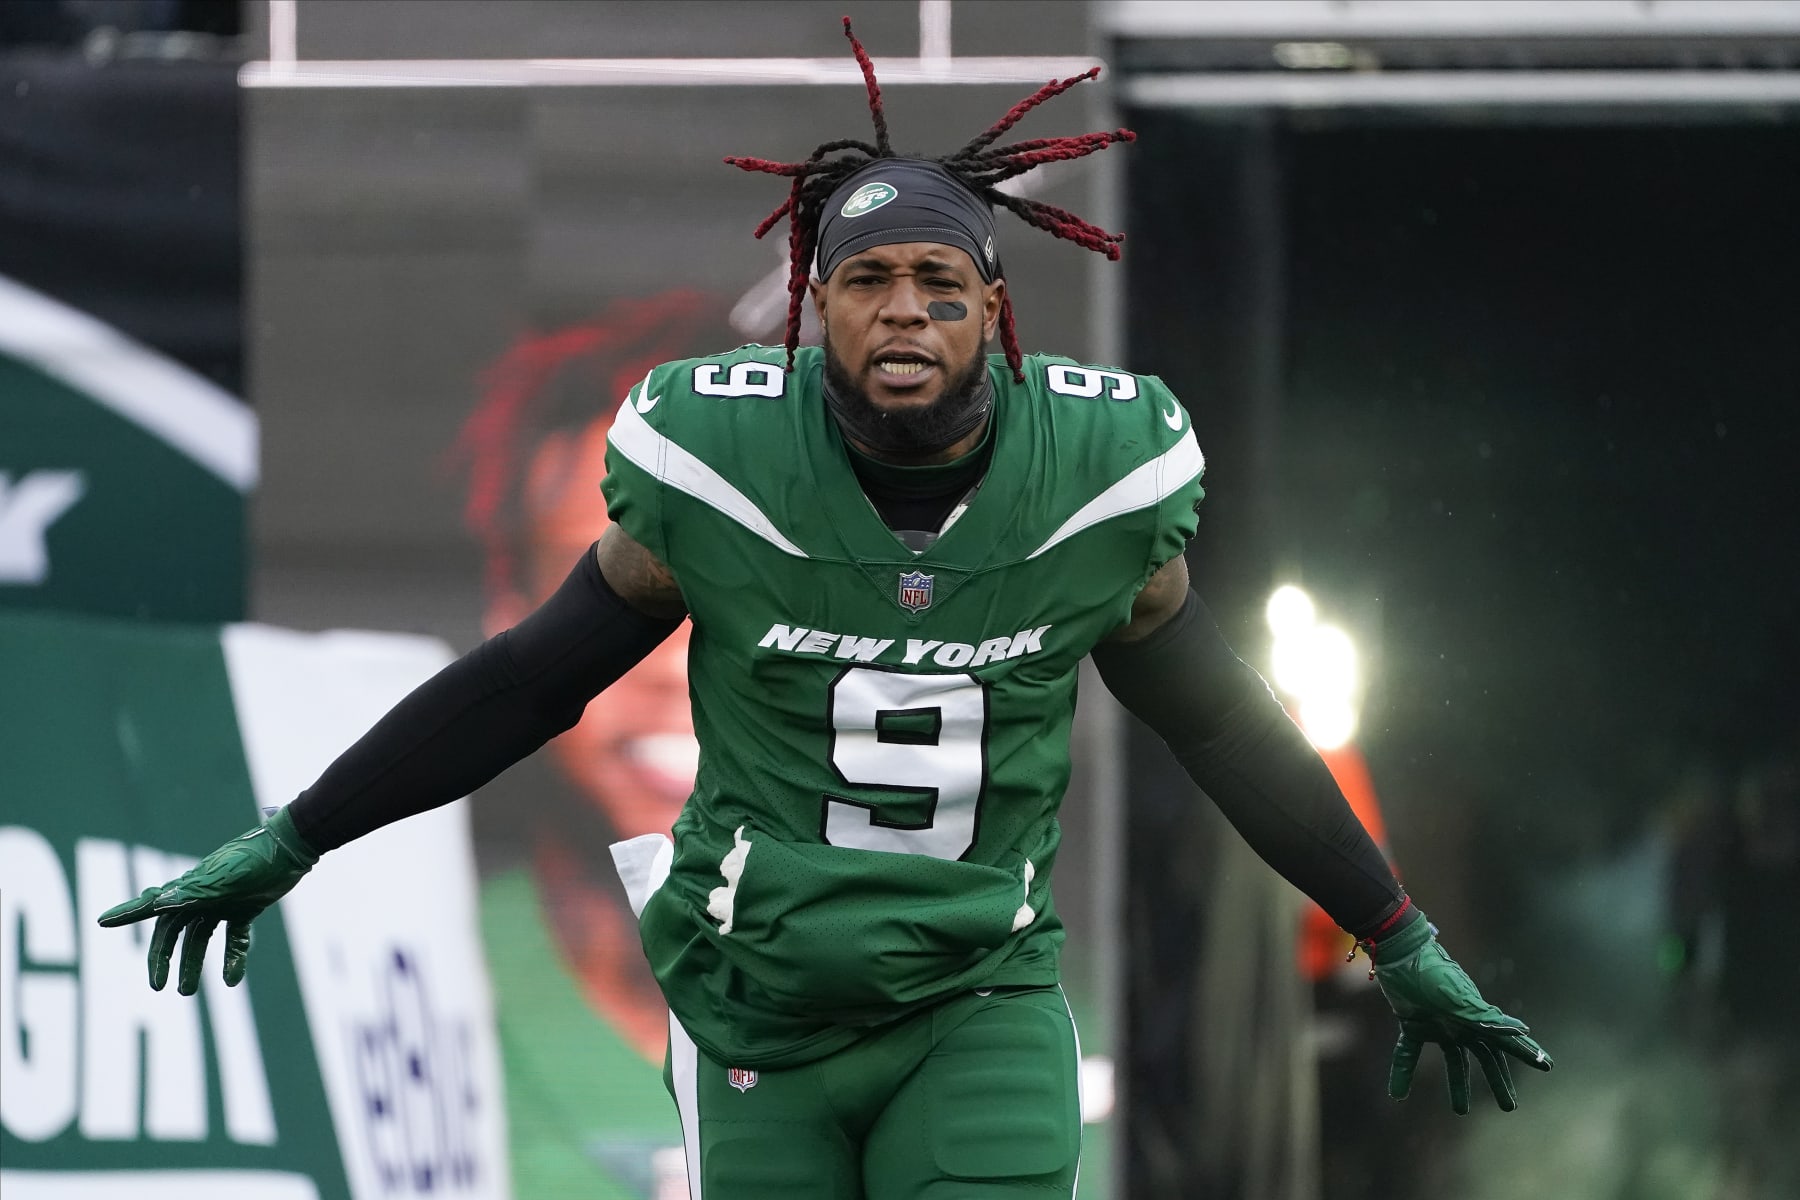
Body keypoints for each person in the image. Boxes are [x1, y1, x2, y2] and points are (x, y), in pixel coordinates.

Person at [99, 20, 1551, 1198]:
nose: (902, 309)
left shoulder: (1100, 480)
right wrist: (302, 835)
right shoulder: (716, 465)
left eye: (937, 280)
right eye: (866, 281)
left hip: (975, 992)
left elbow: (1225, 723)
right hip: (756, 1008)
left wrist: (1393, 926)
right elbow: (530, 682)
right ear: (816, 306)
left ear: (995, 309)